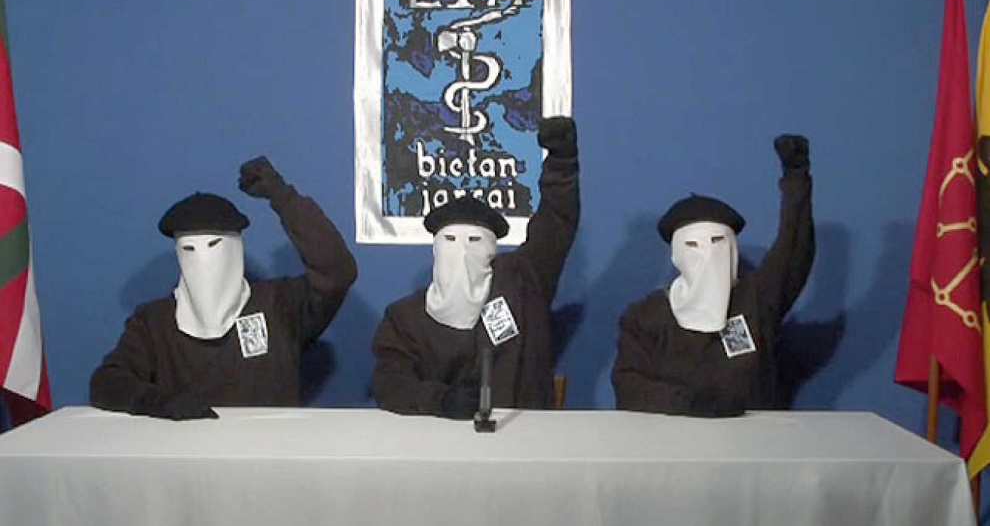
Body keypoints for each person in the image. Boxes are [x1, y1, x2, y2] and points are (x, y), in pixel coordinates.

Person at [90, 157, 357, 420]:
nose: (202, 260)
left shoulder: (281, 306)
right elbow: (107, 382)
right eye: (189, 249)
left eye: (213, 245)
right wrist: (156, 401)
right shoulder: (154, 322)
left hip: (270, 444)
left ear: (234, 248)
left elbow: (337, 272)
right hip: (187, 446)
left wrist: (283, 197)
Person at [371, 117, 579, 419]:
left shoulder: (522, 283)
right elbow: (389, 382)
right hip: (438, 439)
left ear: (491, 248)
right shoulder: (405, 319)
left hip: (522, 435)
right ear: (436, 248)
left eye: (475, 240)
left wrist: (562, 163)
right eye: (450, 240)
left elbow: (555, 225)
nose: (463, 250)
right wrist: (440, 400)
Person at [611, 135, 814, 417]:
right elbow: (629, 387)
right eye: (693, 245)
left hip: (752, 436)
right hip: (672, 438)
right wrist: (690, 403)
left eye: (717, 242)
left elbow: (793, 252)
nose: (707, 255)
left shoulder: (756, 300)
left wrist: (796, 179)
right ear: (677, 254)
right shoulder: (646, 316)